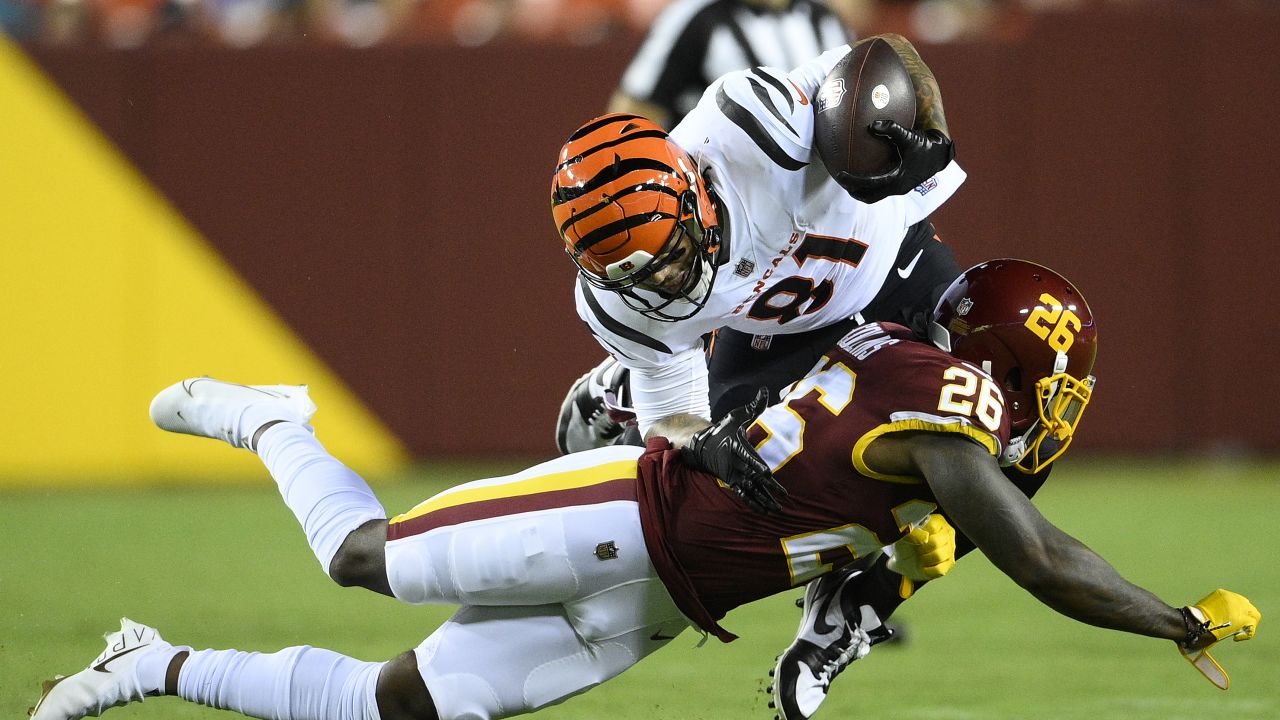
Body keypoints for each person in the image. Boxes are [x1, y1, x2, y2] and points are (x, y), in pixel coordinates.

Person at [30, 260, 1260, 720]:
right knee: (359, 558)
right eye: (1046, 376)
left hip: (665, 601)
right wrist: (1171, 621)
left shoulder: (905, 369)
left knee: (397, 711)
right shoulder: (942, 412)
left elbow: (858, 513)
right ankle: (267, 421)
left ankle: (152, 664)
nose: (1054, 400)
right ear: (995, 366)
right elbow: (1036, 555)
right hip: (629, 512)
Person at [553, 32, 964, 718]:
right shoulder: (623, 300)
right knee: (743, 485)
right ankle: (627, 388)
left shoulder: (758, 126)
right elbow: (675, 419)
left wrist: (931, 133)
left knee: (1002, 407)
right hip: (772, 331)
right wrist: (696, 435)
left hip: (887, 263)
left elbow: (886, 53)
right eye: (638, 278)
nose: (665, 284)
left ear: (693, 193)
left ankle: (857, 607)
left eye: (670, 255)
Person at [610, 0, 853, 130]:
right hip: (716, 199)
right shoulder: (695, 15)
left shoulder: (825, 19)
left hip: (809, 197)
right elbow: (632, 113)